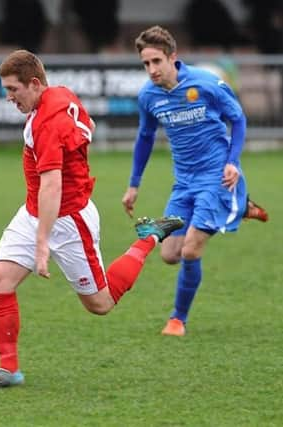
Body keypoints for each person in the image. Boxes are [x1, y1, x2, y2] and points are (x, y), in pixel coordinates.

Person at [0, 49, 184, 388]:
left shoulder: (46, 124)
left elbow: (52, 186)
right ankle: (8, 371)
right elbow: (89, 125)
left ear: (35, 83)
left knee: (100, 304)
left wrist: (42, 244)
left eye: (13, 90)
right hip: (35, 210)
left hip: (69, 219)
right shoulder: (62, 94)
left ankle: (148, 237)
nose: (9, 97)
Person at [121, 26, 268, 337]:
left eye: (156, 61)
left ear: (173, 57)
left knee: (189, 251)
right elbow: (145, 137)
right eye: (145, 64)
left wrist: (232, 162)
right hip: (184, 183)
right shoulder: (149, 96)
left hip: (217, 179)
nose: (151, 70)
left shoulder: (206, 83)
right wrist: (134, 184)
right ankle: (240, 208)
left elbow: (238, 119)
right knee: (169, 254)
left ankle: (177, 320)